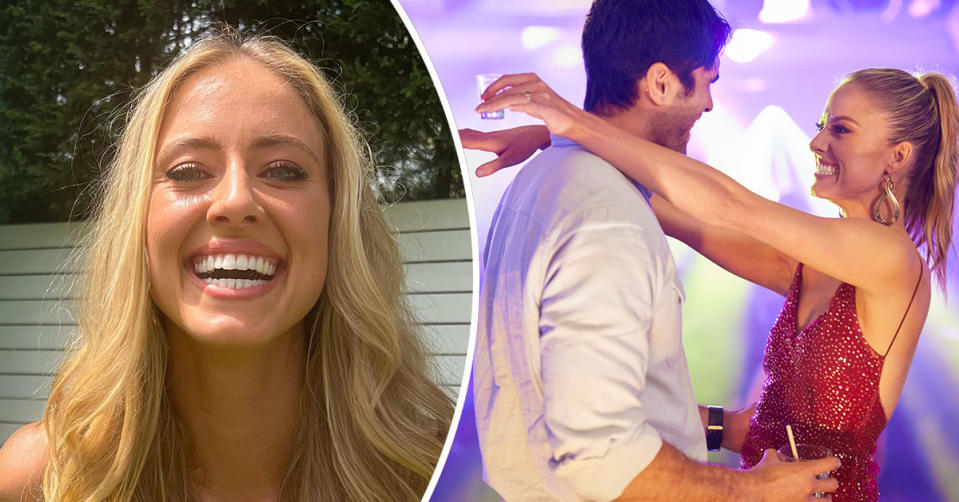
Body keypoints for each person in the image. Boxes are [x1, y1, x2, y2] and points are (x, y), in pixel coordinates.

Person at [470, 60, 957, 502]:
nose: (816, 143)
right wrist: (552, 140)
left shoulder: (889, 256)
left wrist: (567, 120)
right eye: (821, 126)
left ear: (897, 157)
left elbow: (726, 205)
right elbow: (675, 210)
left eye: (840, 129)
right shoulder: (814, 265)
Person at [0, 29, 454, 502]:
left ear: (337, 219)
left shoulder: (438, 470)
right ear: (137, 219)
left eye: (282, 170)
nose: (236, 200)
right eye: (188, 171)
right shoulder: (41, 480)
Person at [470, 0, 840, 500]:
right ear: (662, 83)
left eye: (839, 127)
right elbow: (600, 456)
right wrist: (754, 491)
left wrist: (725, 430)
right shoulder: (607, 218)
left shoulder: (552, 181)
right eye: (708, 80)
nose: (710, 104)